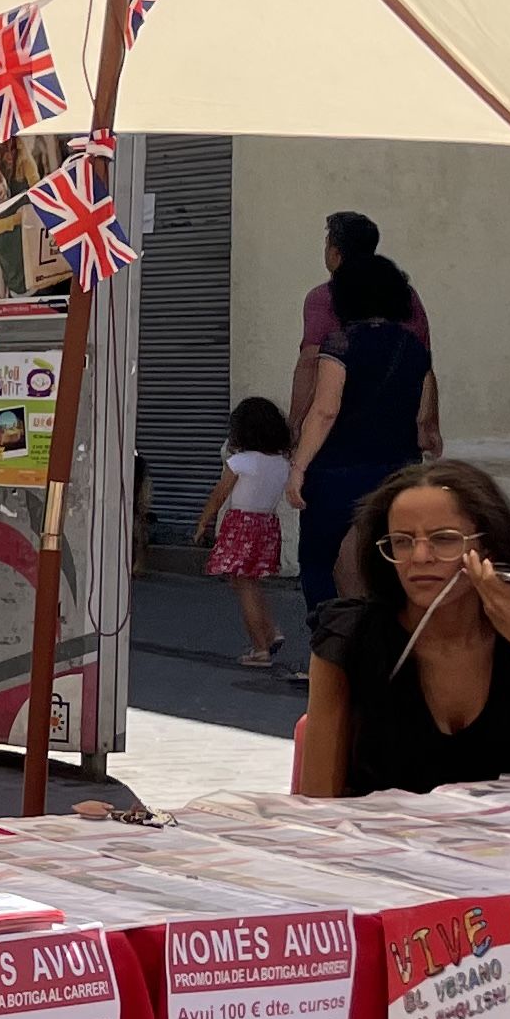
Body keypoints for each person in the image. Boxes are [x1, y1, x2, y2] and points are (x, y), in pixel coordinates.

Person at [298, 460, 510, 794]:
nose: (419, 557)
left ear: (487, 547)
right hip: (384, 844)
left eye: (443, 539)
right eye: (402, 541)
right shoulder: (348, 636)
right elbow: (317, 799)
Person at [287, 244, 439, 620]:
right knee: (388, 563)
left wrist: (298, 467)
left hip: (338, 469)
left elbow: (324, 410)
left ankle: (331, 652)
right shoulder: (415, 349)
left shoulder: (341, 343)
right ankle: (391, 646)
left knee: (318, 561)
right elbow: (424, 420)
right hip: (398, 469)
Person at [290, 211, 438, 450]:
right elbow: (425, 368)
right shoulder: (406, 296)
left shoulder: (324, 298)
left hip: (340, 437)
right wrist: (428, 425)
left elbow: (310, 363)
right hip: (398, 433)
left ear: (335, 253)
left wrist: (296, 424)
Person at [193, 396, 294, 673]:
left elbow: (219, 494)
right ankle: (271, 630)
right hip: (267, 525)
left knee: (243, 585)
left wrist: (204, 522)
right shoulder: (282, 463)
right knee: (249, 582)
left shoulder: (241, 462)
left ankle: (260, 648)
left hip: (241, 525)